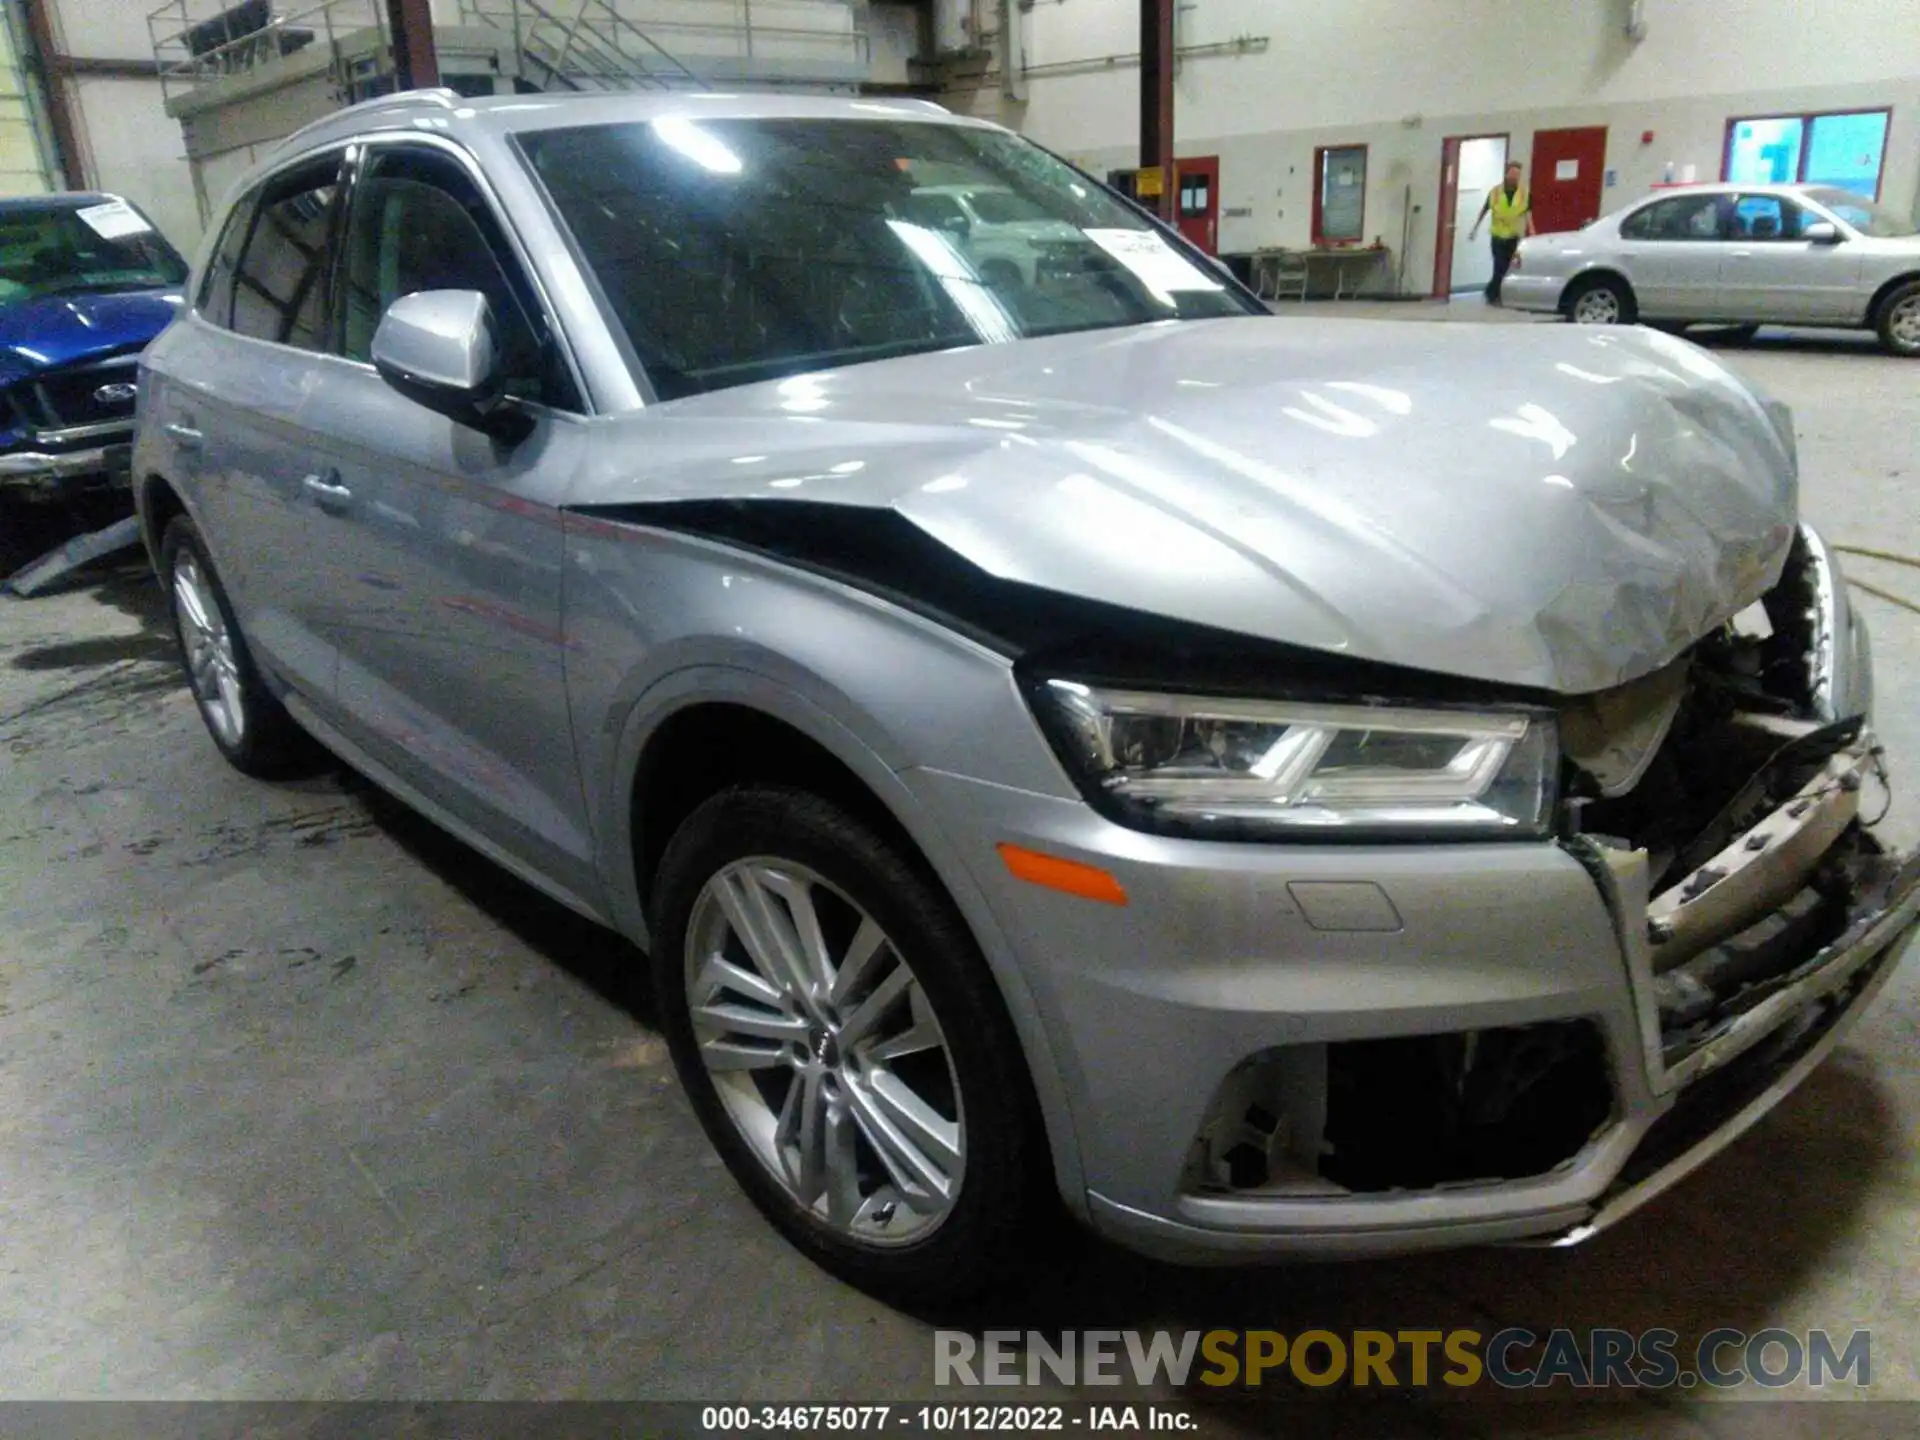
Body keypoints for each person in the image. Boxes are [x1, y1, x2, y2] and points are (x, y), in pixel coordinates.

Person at [1468, 160, 1533, 305]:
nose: (1515, 176)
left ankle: (1491, 292)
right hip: (1497, 236)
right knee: (1499, 266)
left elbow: (1528, 214)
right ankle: (1493, 295)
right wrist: (1474, 229)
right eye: (1513, 173)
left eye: (1518, 174)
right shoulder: (1495, 192)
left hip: (1513, 236)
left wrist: (1532, 231)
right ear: (1506, 174)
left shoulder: (1524, 192)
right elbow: (1484, 211)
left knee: (1508, 267)